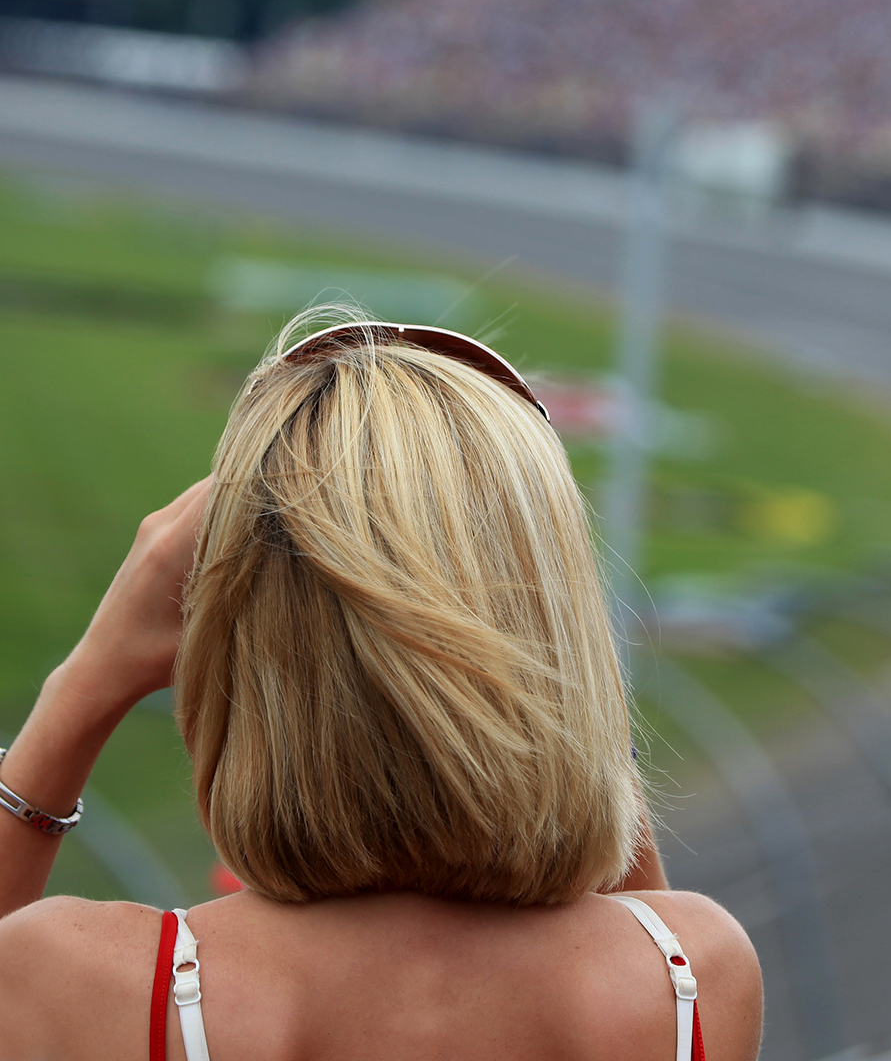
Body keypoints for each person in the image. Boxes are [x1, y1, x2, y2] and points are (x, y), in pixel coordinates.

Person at [0, 316, 763, 1061]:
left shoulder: (89, 983)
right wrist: (546, 651)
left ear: (244, 650)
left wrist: (88, 680)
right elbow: (638, 910)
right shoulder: (692, 978)